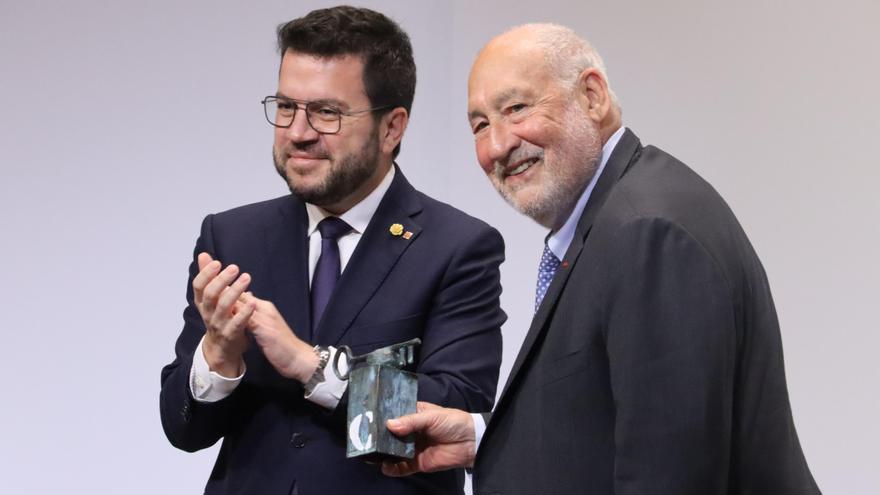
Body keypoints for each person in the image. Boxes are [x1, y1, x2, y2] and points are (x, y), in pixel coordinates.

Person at [382, 23, 821, 494]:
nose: (497, 146)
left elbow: (668, 476)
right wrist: (481, 438)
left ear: (592, 96)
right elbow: (604, 420)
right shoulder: (616, 217)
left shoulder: (647, 233)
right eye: (480, 125)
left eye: (517, 108)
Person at [159, 7, 505, 495]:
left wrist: (309, 365)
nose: (298, 132)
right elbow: (184, 430)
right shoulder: (231, 237)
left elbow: (454, 410)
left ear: (392, 128)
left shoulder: (458, 247)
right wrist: (217, 355)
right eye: (285, 107)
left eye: (326, 112)